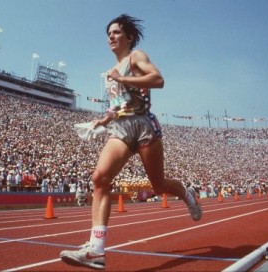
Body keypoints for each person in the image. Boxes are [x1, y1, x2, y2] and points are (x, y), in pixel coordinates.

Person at [60, 14, 202, 270]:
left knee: (158, 186)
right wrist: (100, 123)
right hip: (122, 128)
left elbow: (158, 80)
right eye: (108, 34)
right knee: (100, 178)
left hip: (145, 126)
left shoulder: (136, 57)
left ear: (129, 37)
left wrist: (123, 78)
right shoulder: (109, 75)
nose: (110, 37)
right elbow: (118, 107)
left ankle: (184, 193)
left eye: (116, 33)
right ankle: (97, 250)